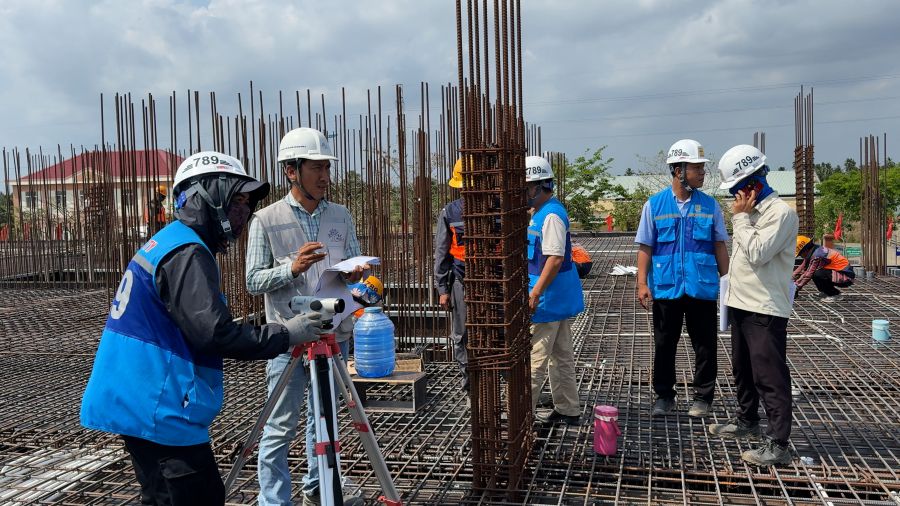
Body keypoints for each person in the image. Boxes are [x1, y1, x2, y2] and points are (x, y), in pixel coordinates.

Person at [80, 151, 327, 505]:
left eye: (247, 203)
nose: (244, 211)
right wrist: (287, 333)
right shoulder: (187, 253)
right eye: (237, 200)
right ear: (207, 198)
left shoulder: (173, 241)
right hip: (156, 404)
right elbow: (215, 333)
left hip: (139, 399)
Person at [246, 127, 365, 506]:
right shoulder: (266, 219)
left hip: (333, 334)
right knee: (280, 426)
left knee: (325, 418)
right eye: (316, 168)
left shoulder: (341, 215)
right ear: (291, 170)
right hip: (288, 339)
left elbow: (353, 260)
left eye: (327, 167)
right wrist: (292, 268)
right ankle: (274, 500)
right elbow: (253, 280)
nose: (325, 176)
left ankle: (318, 486)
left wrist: (354, 273)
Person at [708, 144, 799, 466]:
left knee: (769, 376)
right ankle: (747, 420)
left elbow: (758, 253)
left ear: (753, 184)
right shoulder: (752, 214)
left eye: (736, 189)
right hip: (741, 304)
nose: (735, 197)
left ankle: (779, 443)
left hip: (764, 308)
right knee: (743, 370)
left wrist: (741, 219)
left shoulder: (780, 214)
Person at [635, 139, 729, 418]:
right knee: (664, 344)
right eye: (696, 168)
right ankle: (665, 396)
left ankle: (703, 397)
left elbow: (720, 246)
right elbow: (646, 246)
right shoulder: (654, 205)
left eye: (702, 168)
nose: (702, 173)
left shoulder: (710, 206)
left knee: (705, 345)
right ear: (678, 171)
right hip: (667, 287)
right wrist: (642, 283)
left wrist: (727, 282)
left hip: (701, 286)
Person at [525, 155, 585, 426]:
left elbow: (555, 259)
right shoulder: (542, 212)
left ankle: (521, 414)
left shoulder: (550, 216)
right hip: (555, 297)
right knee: (561, 355)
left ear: (538, 187)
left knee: (536, 358)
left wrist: (535, 293)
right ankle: (568, 408)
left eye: (526, 187)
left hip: (548, 298)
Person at [433, 158, 470, 393]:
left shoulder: (499, 208)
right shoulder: (450, 211)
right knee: (462, 335)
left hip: (495, 281)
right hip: (461, 280)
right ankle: (470, 387)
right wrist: (443, 289)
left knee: (497, 332)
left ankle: (501, 383)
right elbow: (442, 251)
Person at [793, 235, 854, 302]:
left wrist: (796, 287)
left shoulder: (817, 255)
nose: (801, 256)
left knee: (817, 274)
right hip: (837, 273)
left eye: (800, 254)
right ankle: (826, 292)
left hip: (846, 277)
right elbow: (802, 267)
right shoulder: (814, 250)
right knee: (817, 273)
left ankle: (834, 294)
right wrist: (791, 278)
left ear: (805, 250)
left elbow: (808, 275)